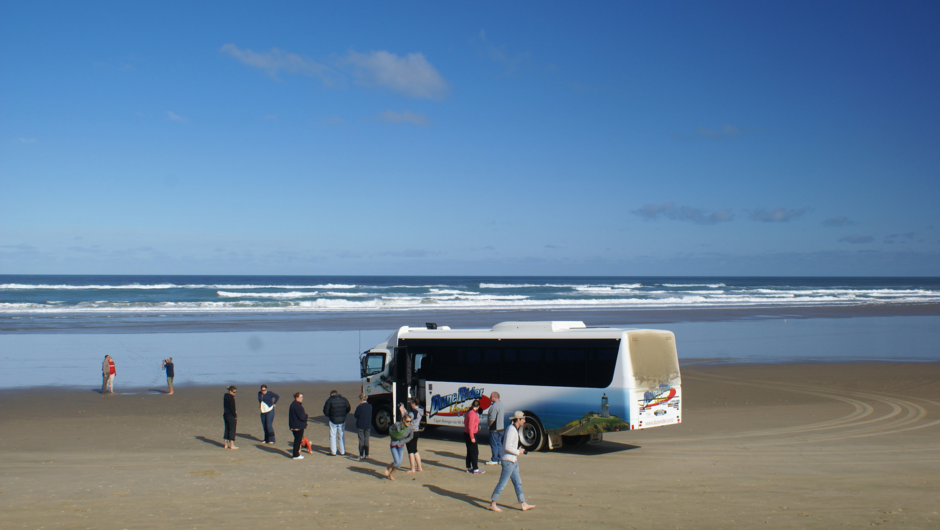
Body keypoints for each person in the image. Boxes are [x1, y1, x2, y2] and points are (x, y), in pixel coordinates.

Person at [489, 411, 536, 512]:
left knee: (518, 482)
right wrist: (518, 451)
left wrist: (517, 450)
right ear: (518, 420)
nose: (524, 420)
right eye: (523, 419)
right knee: (502, 483)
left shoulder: (514, 429)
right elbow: (507, 447)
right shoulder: (511, 430)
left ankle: (523, 503)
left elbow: (509, 445)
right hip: (508, 461)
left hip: (513, 460)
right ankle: (493, 503)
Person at [384, 403, 413, 481]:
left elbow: (411, 436)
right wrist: (393, 436)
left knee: (399, 464)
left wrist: (404, 440)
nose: (409, 423)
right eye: (407, 421)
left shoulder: (410, 428)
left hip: (401, 446)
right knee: (397, 462)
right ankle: (388, 467)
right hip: (393, 445)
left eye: (410, 421)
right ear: (403, 420)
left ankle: (390, 474)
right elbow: (390, 429)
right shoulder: (397, 424)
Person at [322, 390, 351, 456]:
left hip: (333, 420)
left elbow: (325, 411)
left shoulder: (329, 400)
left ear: (332, 394)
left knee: (332, 436)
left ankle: (333, 452)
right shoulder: (344, 400)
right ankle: (342, 451)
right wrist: (344, 414)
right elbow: (348, 408)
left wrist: (330, 415)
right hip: (342, 420)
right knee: (341, 435)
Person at [463, 399, 484, 474]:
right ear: (478, 406)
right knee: (475, 452)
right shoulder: (472, 414)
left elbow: (466, 423)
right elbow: (470, 426)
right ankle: (475, 468)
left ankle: (468, 467)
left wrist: (476, 427)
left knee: (469, 451)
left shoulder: (468, 412)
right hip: (471, 434)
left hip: (467, 433)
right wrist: (472, 437)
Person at [485, 391, 505, 465]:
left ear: (495, 397)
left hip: (494, 429)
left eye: (491, 397)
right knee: (499, 443)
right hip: (501, 428)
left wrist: (489, 425)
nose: (490, 398)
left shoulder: (494, 406)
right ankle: (500, 458)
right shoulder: (502, 405)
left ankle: (494, 459)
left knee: (494, 444)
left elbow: (492, 418)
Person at [288, 392, 308, 460]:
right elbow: (302, 416)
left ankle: (296, 453)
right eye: (300, 397)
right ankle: (296, 455)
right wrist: (306, 416)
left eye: (302, 397)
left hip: (294, 425)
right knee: (298, 440)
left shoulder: (294, 404)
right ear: (297, 398)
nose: (302, 399)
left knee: (297, 440)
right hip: (297, 426)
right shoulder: (297, 406)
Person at [406, 400, 423, 473]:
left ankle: (412, 468)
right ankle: (419, 467)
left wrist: (402, 412)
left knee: (410, 451)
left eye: (411, 403)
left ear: (413, 403)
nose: (410, 405)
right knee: (415, 450)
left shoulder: (413, 412)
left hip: (411, 432)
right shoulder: (420, 411)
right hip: (417, 431)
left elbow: (407, 419)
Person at [353, 394, 372, 460]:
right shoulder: (370, 406)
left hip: (361, 425)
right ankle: (366, 454)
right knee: (366, 439)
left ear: (361, 399)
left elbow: (356, 415)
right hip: (368, 425)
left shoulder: (360, 407)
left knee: (361, 440)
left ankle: (361, 454)